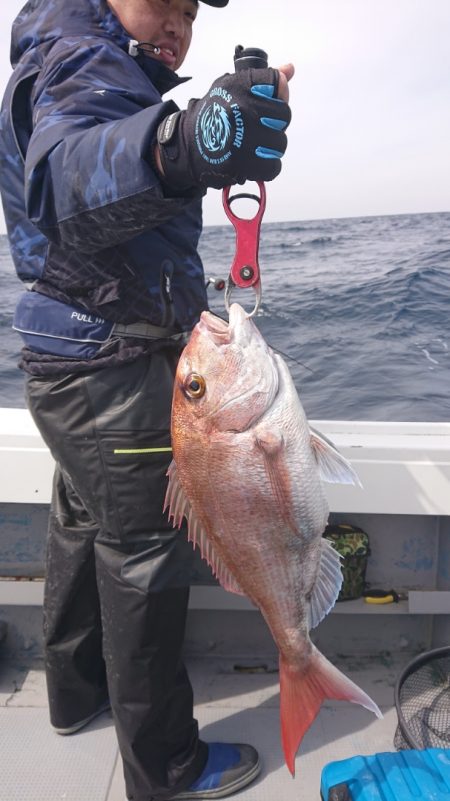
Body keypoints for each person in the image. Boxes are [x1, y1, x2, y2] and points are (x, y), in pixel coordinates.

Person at [0, 1, 293, 798]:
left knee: (82, 518)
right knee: (144, 558)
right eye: (163, 0)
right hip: (111, 364)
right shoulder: (82, 57)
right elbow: (65, 177)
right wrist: (181, 143)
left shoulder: (79, 52)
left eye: (189, 12)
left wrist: (191, 137)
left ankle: (75, 693)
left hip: (72, 360)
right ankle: (166, 768)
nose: (176, 24)